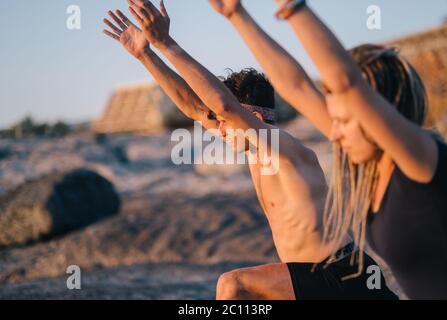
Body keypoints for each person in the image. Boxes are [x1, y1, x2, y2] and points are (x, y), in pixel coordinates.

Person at [102, 0, 397, 300]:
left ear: (254, 118)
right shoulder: (252, 146)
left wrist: (166, 43)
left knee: (233, 286)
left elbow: (224, 106)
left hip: (342, 276)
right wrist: (146, 55)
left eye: (226, 122)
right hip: (312, 281)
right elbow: (195, 109)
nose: (219, 129)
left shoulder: (282, 147)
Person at [209, 0, 447, 299]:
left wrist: (293, 8)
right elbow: (297, 86)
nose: (333, 132)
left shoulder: (421, 160)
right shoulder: (370, 166)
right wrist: (236, 15)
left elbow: (345, 82)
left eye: (345, 120)